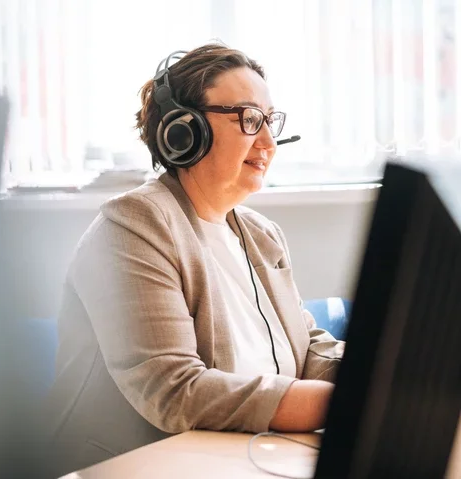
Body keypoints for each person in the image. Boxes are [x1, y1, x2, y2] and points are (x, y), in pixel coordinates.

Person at [45, 42, 345, 475]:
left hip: (240, 461)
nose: (268, 142)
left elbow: (306, 350)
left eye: (270, 121)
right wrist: (345, 402)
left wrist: (392, 378)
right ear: (185, 130)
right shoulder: (132, 226)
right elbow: (174, 391)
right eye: (249, 119)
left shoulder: (260, 235)